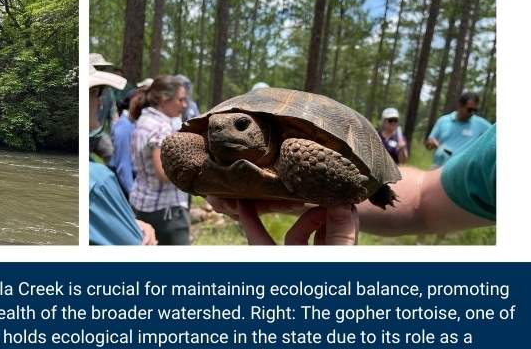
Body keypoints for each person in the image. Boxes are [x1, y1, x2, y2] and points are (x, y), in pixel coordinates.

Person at [207, 124, 495, 244]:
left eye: (242, 125)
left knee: (295, 149)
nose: (220, 131)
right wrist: (270, 198)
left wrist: (367, 185)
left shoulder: (294, 148)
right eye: (213, 128)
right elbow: (422, 199)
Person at [89, 63, 156, 246]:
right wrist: (129, 207)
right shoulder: (99, 182)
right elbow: (123, 167)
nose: (101, 101)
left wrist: (130, 221)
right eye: (97, 93)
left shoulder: (128, 126)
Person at [129, 75, 191, 245]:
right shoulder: (162, 128)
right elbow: (163, 173)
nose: (184, 105)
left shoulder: (143, 120)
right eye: (181, 100)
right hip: (166, 213)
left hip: (140, 204)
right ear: (164, 99)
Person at [426, 92, 491, 167]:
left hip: (462, 172)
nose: (472, 113)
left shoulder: (480, 123)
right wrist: (432, 143)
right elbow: (429, 143)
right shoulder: (443, 121)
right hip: (438, 167)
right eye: (469, 109)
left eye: (475, 110)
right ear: (460, 106)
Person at [109, 89, 138, 194]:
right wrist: (132, 193)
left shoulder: (133, 124)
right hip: (123, 182)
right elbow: (123, 164)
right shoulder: (124, 126)